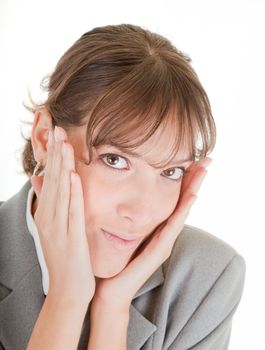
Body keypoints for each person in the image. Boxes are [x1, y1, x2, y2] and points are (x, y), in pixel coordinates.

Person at [0, 23, 246, 350]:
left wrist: (112, 310)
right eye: (115, 160)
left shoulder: (204, 279)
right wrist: (67, 298)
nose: (141, 211)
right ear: (46, 138)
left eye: (170, 171)